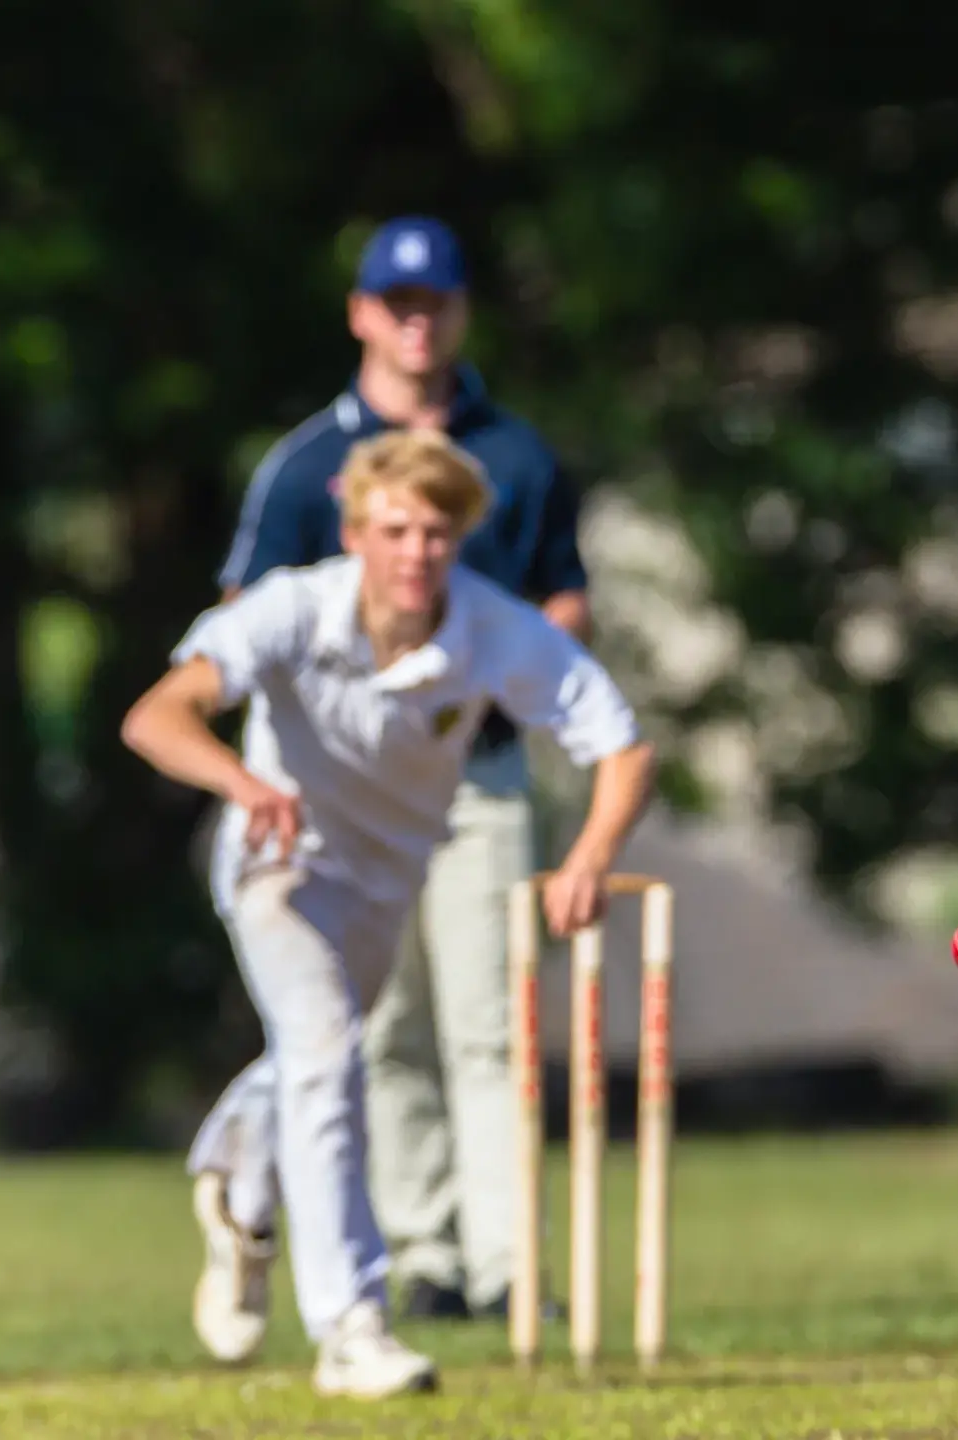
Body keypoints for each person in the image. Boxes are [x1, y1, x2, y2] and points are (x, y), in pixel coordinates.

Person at [126, 431, 654, 1397]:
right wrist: (246, 788)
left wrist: (588, 859)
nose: (417, 552)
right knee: (328, 1052)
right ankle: (351, 1327)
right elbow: (156, 715)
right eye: (396, 530)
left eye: (437, 533)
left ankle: (241, 1199)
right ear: (357, 534)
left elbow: (620, 745)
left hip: (386, 878)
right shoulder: (294, 609)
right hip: (278, 866)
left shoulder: (490, 628)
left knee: (311, 1057)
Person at [214, 215, 589, 1324]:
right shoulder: (308, 467)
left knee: (491, 1022)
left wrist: (486, 671)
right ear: (363, 314)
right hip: (344, 795)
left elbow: (563, 595)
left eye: (436, 304)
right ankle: (423, 1251)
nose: (417, 325)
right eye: (397, 304)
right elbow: (243, 616)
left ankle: (509, 1264)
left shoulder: (516, 456)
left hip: (475, 777)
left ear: (461, 311)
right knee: (380, 1029)